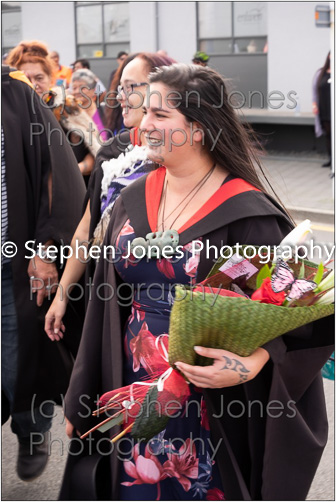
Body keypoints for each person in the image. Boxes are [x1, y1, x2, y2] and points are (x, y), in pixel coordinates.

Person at [60, 64, 334, 500]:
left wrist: (257, 360)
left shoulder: (246, 213)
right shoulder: (132, 199)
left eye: (159, 115)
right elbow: (103, 306)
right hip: (133, 386)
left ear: (200, 128)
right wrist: (80, 394)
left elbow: (301, 311)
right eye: (144, 110)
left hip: (213, 399)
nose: (143, 123)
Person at [45, 52, 175, 340]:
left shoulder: (179, 154)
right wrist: (63, 295)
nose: (120, 97)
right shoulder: (112, 152)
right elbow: (87, 228)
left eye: (132, 87)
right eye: (120, 88)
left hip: (159, 303)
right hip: (106, 294)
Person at [1, 66, 86, 481]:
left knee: (21, 352)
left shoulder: (15, 93)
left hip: (11, 260)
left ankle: (32, 429)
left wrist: (43, 248)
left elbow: (56, 173)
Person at [312, 52, 332, 168]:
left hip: (333, 110)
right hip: (324, 110)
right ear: (328, 56)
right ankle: (331, 159)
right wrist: (314, 105)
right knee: (329, 136)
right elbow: (314, 91)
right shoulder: (321, 73)